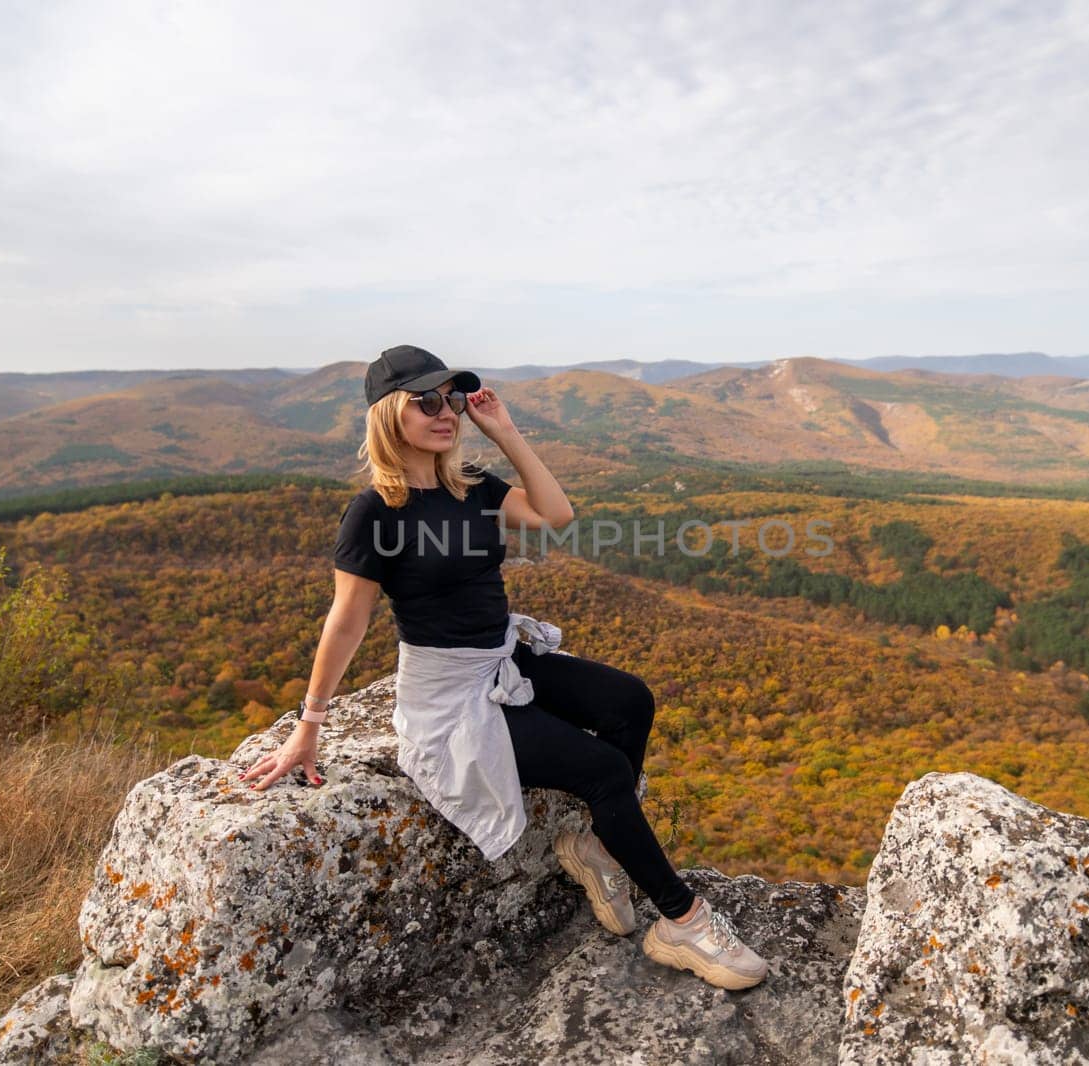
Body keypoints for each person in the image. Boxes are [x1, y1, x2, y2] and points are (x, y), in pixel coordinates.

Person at [241, 344, 768, 991]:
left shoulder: (476, 489)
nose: (447, 412)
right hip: (447, 693)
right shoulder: (377, 510)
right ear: (388, 415)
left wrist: (506, 430)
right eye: (427, 401)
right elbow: (347, 619)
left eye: (454, 399)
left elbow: (555, 515)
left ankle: (597, 849)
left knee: (630, 700)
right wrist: (309, 723)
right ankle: (682, 922)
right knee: (603, 771)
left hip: (500, 656)